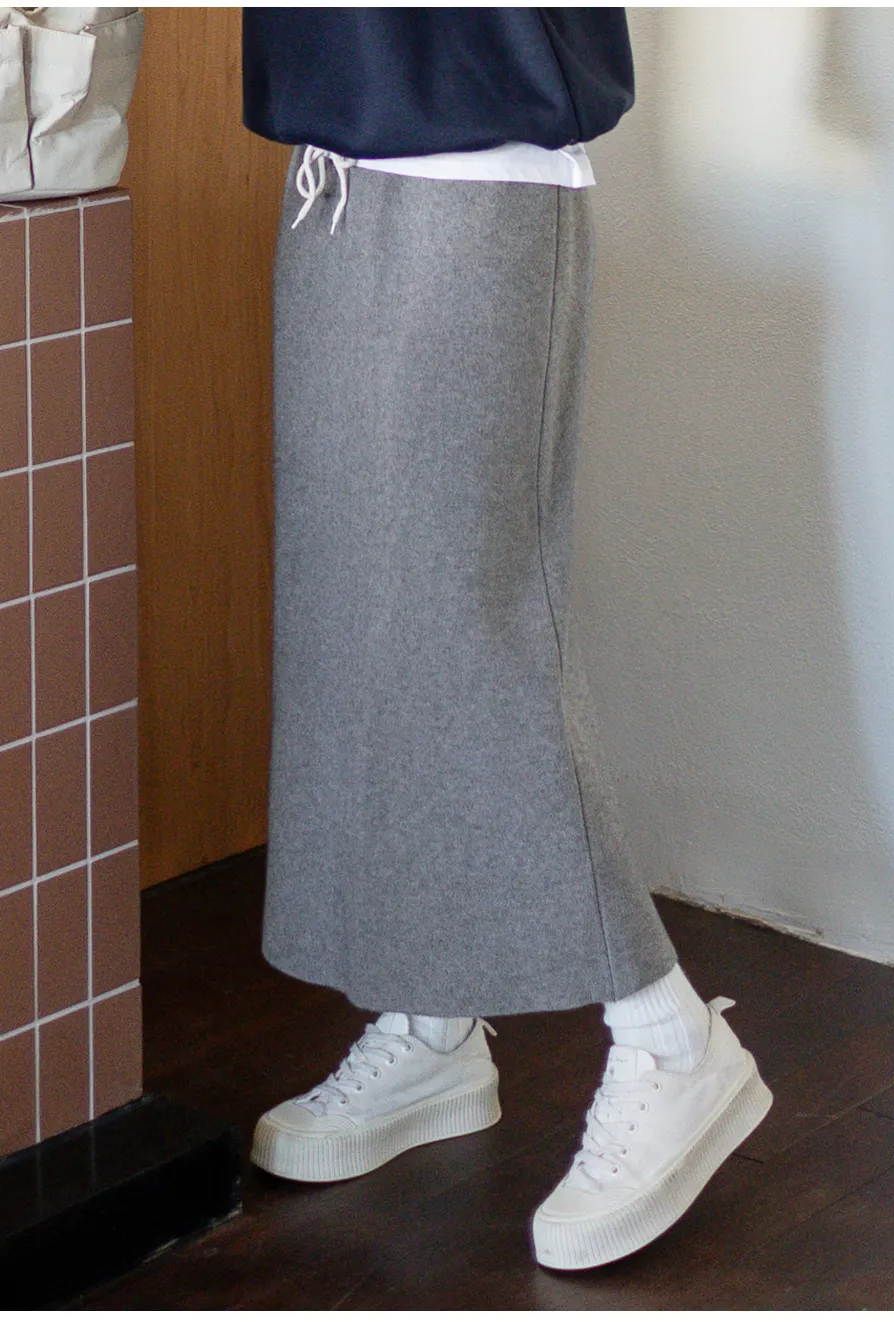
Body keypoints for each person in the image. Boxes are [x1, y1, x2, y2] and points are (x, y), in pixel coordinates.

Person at [241, 8, 772, 1271]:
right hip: (338, 167)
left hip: (481, 166)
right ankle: (435, 1015)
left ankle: (670, 1036)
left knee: (468, 627)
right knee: (356, 615)